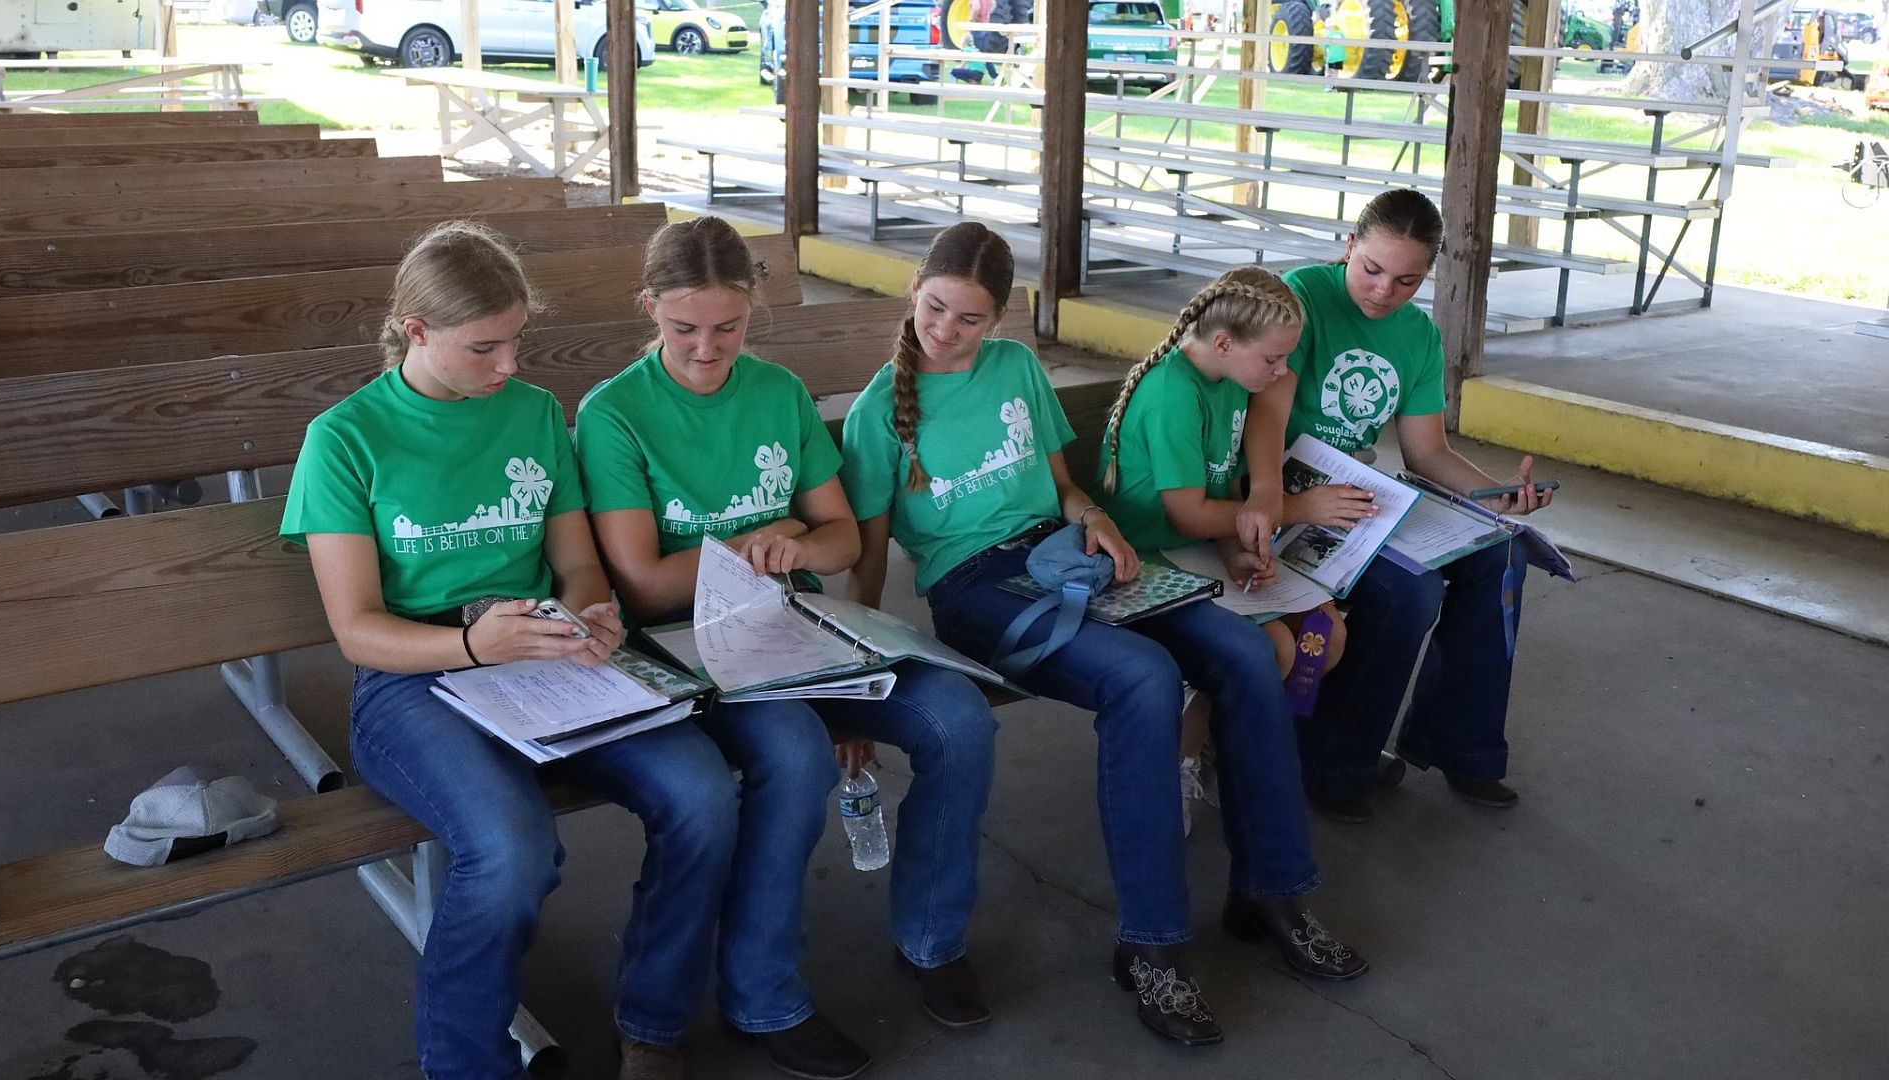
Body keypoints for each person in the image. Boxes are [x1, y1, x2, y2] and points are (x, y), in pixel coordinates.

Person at [841, 223, 1365, 1051]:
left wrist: (1098, 523)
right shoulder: (880, 413)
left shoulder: (1013, 368)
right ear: (914, 292)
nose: (947, 330)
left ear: (1000, 319)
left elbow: (1062, 485)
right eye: (937, 309)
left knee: (1241, 652)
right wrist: (859, 680)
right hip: (977, 588)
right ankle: (1152, 946)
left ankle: (1273, 892)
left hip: (1068, 554)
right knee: (1143, 679)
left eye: (971, 318)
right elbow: (869, 560)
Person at [281, 221, 737, 1080]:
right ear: (415, 332)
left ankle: (654, 1026)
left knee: (702, 793)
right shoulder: (345, 439)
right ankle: (464, 1064)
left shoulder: (530, 414)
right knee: (511, 844)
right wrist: (470, 643)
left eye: (517, 341)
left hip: (538, 645)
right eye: (484, 347)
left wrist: (589, 614)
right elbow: (357, 628)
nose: (511, 367)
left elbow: (575, 564)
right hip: (413, 676)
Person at [577, 216, 999, 1080]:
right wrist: (757, 540)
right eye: (684, 328)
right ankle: (762, 994)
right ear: (649, 308)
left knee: (958, 718)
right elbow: (648, 581)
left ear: (753, 311)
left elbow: (842, 540)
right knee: (794, 757)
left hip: (790, 629)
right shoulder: (615, 413)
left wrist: (800, 548)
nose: (706, 349)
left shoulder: (776, 392)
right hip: (682, 646)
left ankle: (931, 938)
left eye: (727, 327)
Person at [1275, 188, 1555, 824]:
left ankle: (1459, 745)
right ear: (1349, 245)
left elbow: (1426, 452)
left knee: (1500, 551)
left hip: (1356, 499)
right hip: (1287, 499)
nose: (1383, 292)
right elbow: (1255, 426)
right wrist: (1295, 500)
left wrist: (1496, 495)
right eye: (1371, 270)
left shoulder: (1418, 335)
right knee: (1409, 593)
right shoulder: (1300, 299)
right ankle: (1333, 761)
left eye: (1406, 280)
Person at [1090, 266, 1347, 835]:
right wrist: (1288, 512)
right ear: (1226, 342)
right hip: (1148, 560)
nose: (1283, 373)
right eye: (1274, 360)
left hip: (1202, 548)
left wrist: (1237, 548)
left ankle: (1231, 747)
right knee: (1274, 649)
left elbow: (1224, 484)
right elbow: (1185, 512)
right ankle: (1183, 759)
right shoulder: (1171, 393)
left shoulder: (1234, 378)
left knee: (1322, 639)